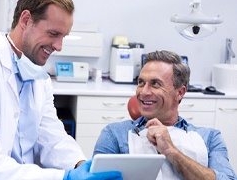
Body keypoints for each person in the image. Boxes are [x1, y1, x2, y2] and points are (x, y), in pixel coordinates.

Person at [0, 0, 122, 180]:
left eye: (63, 36)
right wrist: (65, 177)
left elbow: (51, 137)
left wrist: (81, 165)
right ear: (26, 20)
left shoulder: (40, 79)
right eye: (53, 34)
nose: (59, 46)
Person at [93, 50, 237, 179]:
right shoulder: (115, 134)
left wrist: (170, 150)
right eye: (141, 83)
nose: (144, 92)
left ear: (179, 92)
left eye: (155, 84)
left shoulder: (210, 138)